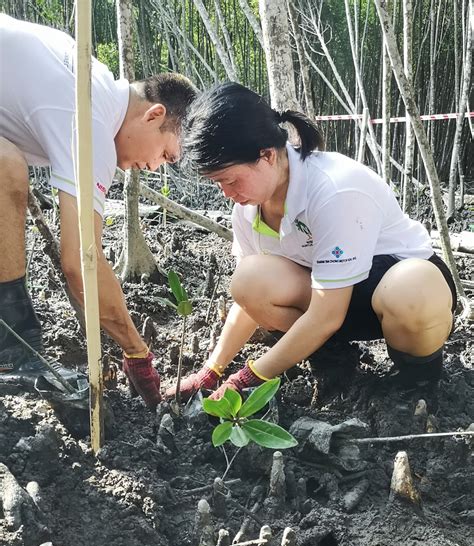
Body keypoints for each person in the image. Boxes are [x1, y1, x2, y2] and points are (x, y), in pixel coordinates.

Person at [167, 82, 457, 402]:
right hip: (330, 299)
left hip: (396, 285)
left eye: (231, 179)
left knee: (411, 290)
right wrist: (212, 370)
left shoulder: (335, 190)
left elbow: (327, 315)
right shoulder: (247, 211)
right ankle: (334, 360)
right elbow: (248, 301)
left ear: (266, 155)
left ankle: (419, 379)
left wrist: (248, 377)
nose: (227, 192)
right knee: (248, 279)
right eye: (218, 183)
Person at [0, 14, 197, 410]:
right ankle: (13, 346)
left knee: (6, 166)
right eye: (165, 154)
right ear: (154, 115)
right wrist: (137, 351)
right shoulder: (91, 117)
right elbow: (81, 262)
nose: (154, 166)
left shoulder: (94, 80)